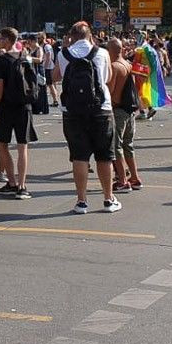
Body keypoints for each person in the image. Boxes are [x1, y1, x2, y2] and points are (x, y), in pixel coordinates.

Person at [54, 22, 120, 214]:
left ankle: (81, 201)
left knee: (79, 157)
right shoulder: (102, 53)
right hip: (101, 110)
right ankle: (108, 199)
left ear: (71, 37)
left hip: (72, 111)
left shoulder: (63, 54)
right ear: (90, 36)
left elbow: (55, 77)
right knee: (104, 156)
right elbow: (108, 77)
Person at [0, 27, 36, 200]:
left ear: (7, 40)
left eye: (1, 39)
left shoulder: (2, 60)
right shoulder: (26, 57)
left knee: (3, 144)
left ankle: (12, 182)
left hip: (6, 106)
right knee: (23, 146)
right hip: (24, 105)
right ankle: (22, 186)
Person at [108, 37, 144, 193]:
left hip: (118, 110)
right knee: (128, 145)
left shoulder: (114, 66)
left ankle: (122, 180)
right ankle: (135, 178)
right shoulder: (128, 65)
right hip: (130, 110)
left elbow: (110, 91)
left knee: (116, 146)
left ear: (110, 51)